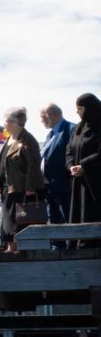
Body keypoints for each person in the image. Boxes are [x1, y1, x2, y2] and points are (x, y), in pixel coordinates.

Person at [0, 106, 45, 252]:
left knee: (18, 222)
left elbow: (33, 166)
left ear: (13, 122)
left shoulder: (28, 140)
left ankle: (16, 250)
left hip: (21, 189)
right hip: (8, 188)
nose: (4, 124)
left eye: (6, 121)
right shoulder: (10, 139)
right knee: (8, 221)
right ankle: (10, 248)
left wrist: (30, 188)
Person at [67, 92, 101, 235]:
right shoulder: (77, 128)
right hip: (79, 182)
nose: (77, 111)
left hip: (96, 184)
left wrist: (84, 165)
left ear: (89, 108)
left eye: (80, 108)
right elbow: (69, 149)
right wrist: (71, 166)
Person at [40, 103, 75, 231]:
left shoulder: (71, 129)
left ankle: (70, 249)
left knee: (68, 222)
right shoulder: (50, 135)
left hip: (64, 186)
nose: (40, 119)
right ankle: (57, 247)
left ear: (52, 114)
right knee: (54, 223)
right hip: (49, 188)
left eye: (42, 116)